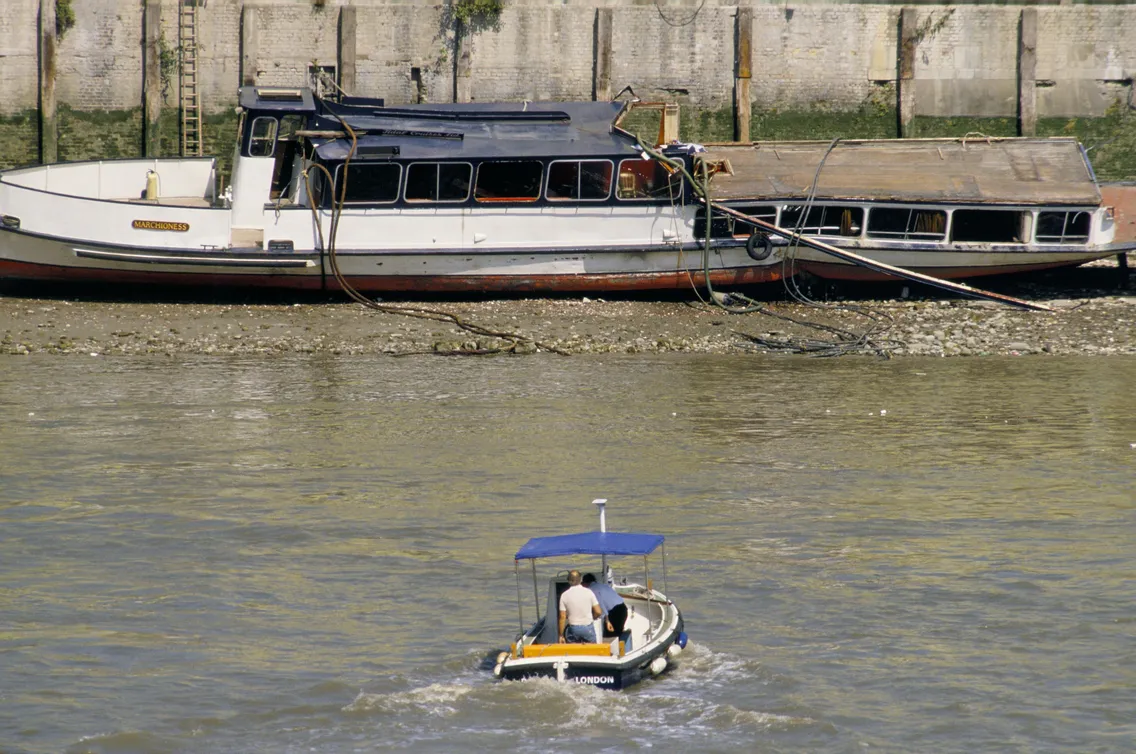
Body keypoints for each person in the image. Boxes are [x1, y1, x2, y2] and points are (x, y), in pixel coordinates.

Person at [583, 572, 631, 652]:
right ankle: (619, 651)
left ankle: (613, 653)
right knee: (617, 633)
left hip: (615, 611)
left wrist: (607, 621)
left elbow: (601, 605)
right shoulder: (602, 585)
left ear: (585, 583)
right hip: (623, 608)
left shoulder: (592, 589)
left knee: (610, 636)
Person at [558, 569, 601, 643]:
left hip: (573, 629)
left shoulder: (564, 595)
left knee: (573, 653)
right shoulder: (589, 592)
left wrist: (561, 635)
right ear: (581, 579)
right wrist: (592, 618)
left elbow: (562, 617)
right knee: (592, 652)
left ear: (568, 581)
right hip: (588, 628)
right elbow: (598, 612)